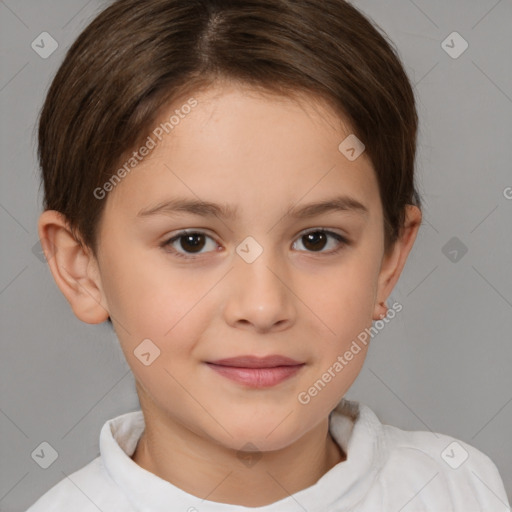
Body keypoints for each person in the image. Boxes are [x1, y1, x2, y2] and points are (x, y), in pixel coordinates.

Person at [27, 0, 510, 510]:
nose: (262, 307)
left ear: (389, 260)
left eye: (317, 239)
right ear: (81, 267)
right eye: (191, 241)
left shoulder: (460, 490)